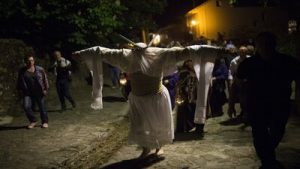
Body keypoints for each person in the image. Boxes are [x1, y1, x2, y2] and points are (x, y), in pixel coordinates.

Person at [73, 42, 225, 158]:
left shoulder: (158, 54)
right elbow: (101, 51)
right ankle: (146, 148)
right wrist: (81, 54)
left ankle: (159, 147)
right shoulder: (125, 55)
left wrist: (213, 50)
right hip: (138, 98)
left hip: (157, 96)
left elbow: (187, 51)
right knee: (140, 124)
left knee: (159, 123)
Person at [237, 31, 300, 169]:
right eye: (261, 44)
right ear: (257, 46)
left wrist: (297, 100)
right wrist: (238, 104)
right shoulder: (249, 63)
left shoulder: (287, 61)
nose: (265, 46)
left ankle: (267, 159)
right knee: (259, 135)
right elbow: (239, 83)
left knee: (277, 132)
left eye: (268, 43)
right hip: (256, 106)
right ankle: (268, 162)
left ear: (274, 44)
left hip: (280, 104)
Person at [17, 55, 49, 129]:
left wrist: (45, 89)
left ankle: (45, 122)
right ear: (25, 61)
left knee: (42, 107)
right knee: (26, 106)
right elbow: (19, 81)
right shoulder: (22, 71)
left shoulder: (40, 69)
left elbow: (45, 79)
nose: (30, 62)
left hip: (39, 91)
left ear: (34, 61)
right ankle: (33, 120)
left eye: (32, 60)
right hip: (27, 92)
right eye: (29, 60)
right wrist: (19, 90)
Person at [227, 46, 251, 118]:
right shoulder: (234, 61)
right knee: (236, 96)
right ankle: (236, 110)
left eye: (244, 52)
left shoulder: (250, 59)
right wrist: (231, 82)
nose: (242, 53)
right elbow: (231, 72)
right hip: (239, 80)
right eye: (241, 52)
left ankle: (247, 111)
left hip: (249, 80)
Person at [176, 59, 197, 132]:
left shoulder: (195, 72)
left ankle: (190, 126)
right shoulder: (184, 73)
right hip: (185, 94)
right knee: (184, 111)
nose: (190, 64)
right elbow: (180, 84)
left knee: (191, 110)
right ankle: (183, 127)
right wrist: (180, 93)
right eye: (188, 63)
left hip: (192, 94)